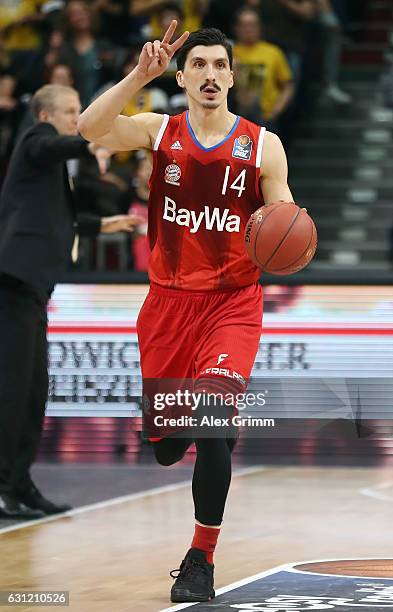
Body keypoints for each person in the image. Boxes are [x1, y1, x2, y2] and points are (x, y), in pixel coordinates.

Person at [78, 22, 295, 603]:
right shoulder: (160, 130)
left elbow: (285, 224)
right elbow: (88, 127)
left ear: (232, 77)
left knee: (214, 422)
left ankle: (200, 556)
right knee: (169, 447)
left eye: (219, 66)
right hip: (168, 305)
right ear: (181, 76)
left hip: (233, 304)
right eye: (198, 65)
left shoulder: (262, 144)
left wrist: (288, 232)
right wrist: (136, 76)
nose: (210, 75)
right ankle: (175, 431)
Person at [0, 83, 141, 520]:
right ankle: (3, 487)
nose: (77, 117)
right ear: (46, 116)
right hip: (11, 285)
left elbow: (59, 219)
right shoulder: (34, 141)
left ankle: (19, 484)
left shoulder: (50, 169)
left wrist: (104, 224)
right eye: (71, 111)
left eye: (81, 111)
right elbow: (53, 145)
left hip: (32, 292)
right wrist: (90, 138)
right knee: (10, 393)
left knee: (32, 393)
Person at [233, 7, 294, 132]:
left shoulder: (273, 52)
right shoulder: (228, 53)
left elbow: (287, 86)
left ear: (259, 27)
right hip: (236, 119)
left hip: (266, 119)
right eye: (244, 25)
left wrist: (276, 111)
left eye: (253, 25)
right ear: (236, 28)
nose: (249, 29)